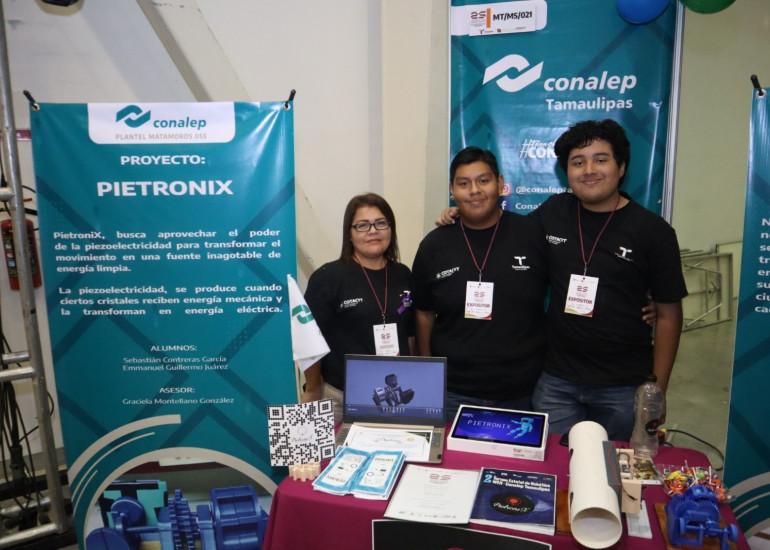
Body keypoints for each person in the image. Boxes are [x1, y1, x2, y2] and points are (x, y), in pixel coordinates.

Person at [530, 119, 687, 441]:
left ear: (621, 167)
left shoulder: (653, 231)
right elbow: (506, 236)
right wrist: (458, 217)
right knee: (555, 465)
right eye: (577, 162)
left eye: (600, 160)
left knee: (614, 467)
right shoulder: (554, 212)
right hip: (557, 382)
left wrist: (656, 393)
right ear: (566, 171)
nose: (589, 170)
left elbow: (669, 316)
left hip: (623, 387)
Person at [412, 147, 549, 422]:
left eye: (483, 181)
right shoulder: (434, 245)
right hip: (453, 391)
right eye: (464, 184)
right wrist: (429, 372)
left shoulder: (532, 234)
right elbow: (424, 313)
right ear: (452, 190)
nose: (474, 190)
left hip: (523, 390)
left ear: (500, 183)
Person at [302, 193, 414, 422]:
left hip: (394, 399)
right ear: (349, 234)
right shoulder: (328, 278)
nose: (373, 231)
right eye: (362, 225)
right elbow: (310, 340)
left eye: (380, 223)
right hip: (340, 399)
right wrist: (313, 389)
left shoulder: (403, 275)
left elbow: (410, 333)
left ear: (391, 229)